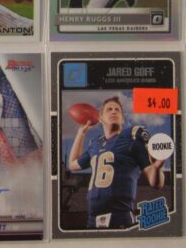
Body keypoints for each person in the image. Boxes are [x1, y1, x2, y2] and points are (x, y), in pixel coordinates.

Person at [68, 96, 165, 229]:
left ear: (122, 119)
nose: (114, 111)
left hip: (120, 218)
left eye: (117, 110)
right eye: (109, 109)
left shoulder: (132, 139)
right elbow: (72, 164)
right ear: (100, 117)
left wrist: (157, 168)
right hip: (92, 220)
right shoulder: (95, 143)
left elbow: (156, 183)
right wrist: (81, 134)